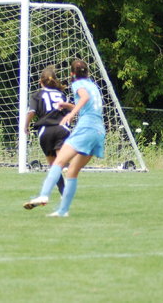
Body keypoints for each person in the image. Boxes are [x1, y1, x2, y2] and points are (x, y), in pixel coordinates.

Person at [23, 59, 105, 217]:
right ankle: (62, 211)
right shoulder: (93, 85)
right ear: (87, 72)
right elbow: (88, 100)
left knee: (58, 162)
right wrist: (68, 107)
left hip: (86, 127)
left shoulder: (77, 84)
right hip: (99, 131)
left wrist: (71, 114)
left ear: (72, 74)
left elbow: (84, 98)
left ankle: (44, 195)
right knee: (72, 171)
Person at [23, 66, 71, 195]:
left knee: (53, 165)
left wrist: (26, 125)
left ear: (40, 81)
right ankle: (66, 166)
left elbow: (31, 112)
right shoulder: (62, 95)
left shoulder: (36, 95)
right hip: (61, 129)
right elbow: (69, 112)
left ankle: (63, 191)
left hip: (45, 132)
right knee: (62, 158)